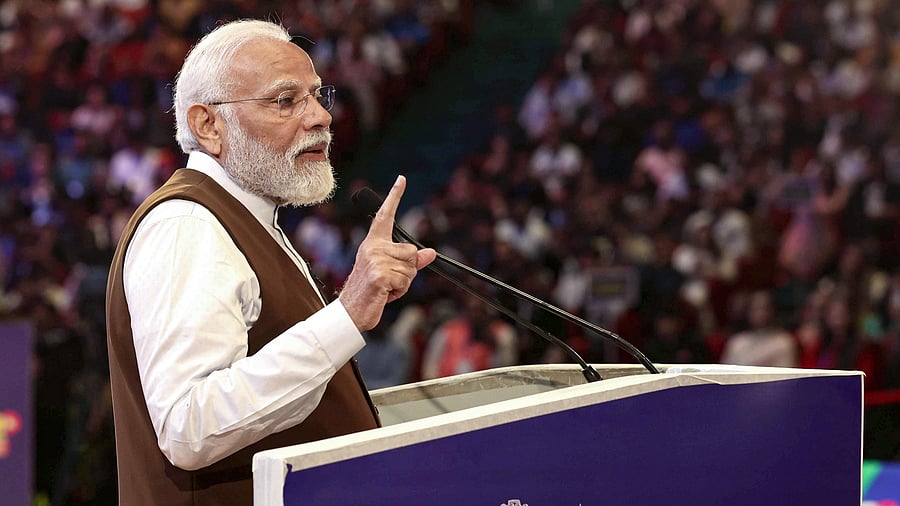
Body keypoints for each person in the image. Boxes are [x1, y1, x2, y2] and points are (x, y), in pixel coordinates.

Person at [105, 19, 435, 505]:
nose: (321, 116)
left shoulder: (246, 218)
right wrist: (347, 316)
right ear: (208, 125)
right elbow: (188, 426)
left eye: (319, 95)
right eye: (285, 100)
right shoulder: (187, 226)